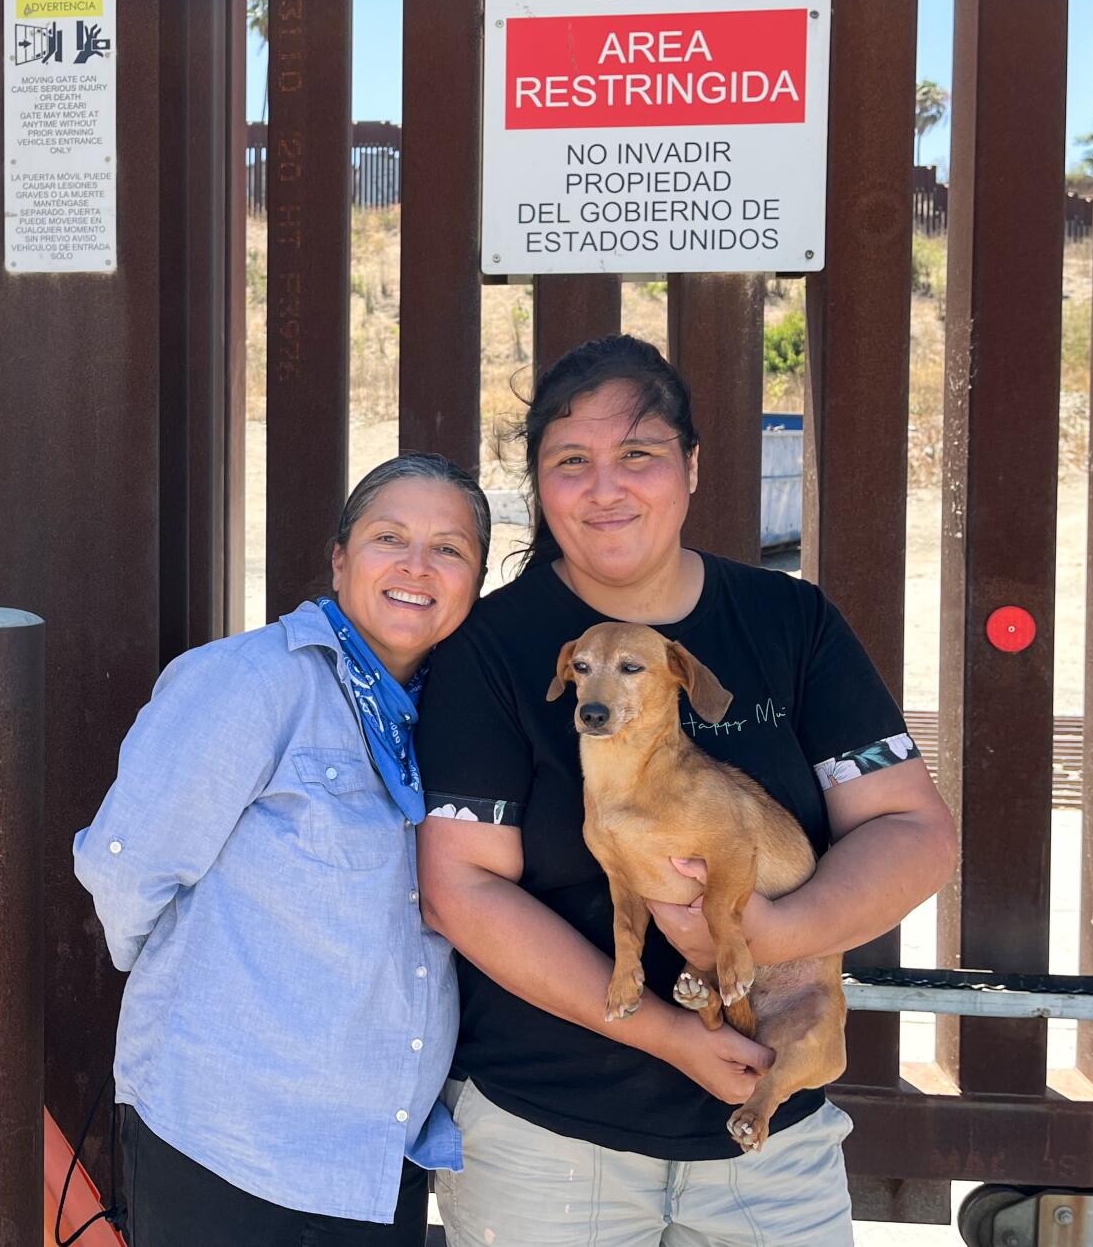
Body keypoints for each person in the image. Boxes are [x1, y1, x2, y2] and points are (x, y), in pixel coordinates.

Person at [415, 334, 956, 1246]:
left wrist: (773, 932)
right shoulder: (492, 650)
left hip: (771, 1151)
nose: (605, 488)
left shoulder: (789, 621)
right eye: (570, 462)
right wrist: (670, 1035)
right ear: (541, 485)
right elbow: (460, 886)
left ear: (692, 468)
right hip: (550, 1146)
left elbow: (913, 829)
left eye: (639, 456)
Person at [74, 453, 493, 1245]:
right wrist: (203, 996)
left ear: (474, 580)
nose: (416, 565)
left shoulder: (459, 715)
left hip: (379, 1146)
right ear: (340, 560)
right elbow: (124, 871)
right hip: (232, 1135)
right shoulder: (254, 681)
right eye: (388, 537)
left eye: (449, 548)